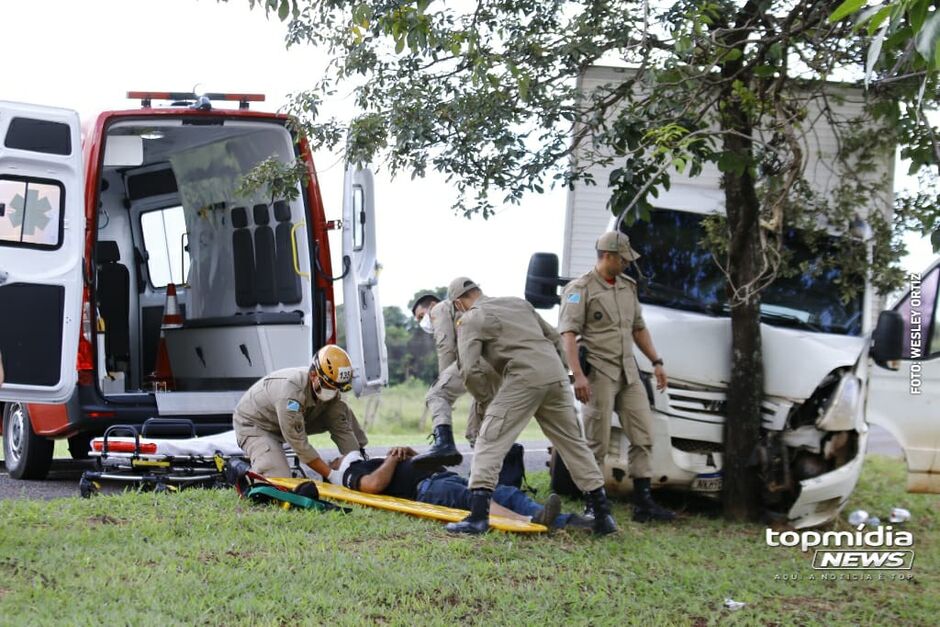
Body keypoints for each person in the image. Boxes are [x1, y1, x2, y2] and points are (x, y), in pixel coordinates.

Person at [446, 276, 618, 536]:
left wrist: (485, 397)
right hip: (555, 376)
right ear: (478, 290)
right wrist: (568, 374)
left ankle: (478, 517)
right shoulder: (519, 304)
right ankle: (602, 515)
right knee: (573, 443)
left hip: (523, 378)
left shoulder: (470, 318)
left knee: (490, 439)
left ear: (459, 303)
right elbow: (555, 337)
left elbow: (469, 369)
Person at [558, 231, 675, 523]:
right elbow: (568, 336)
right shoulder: (580, 288)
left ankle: (643, 505)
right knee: (597, 442)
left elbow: (638, 328)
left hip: (629, 372)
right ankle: (593, 504)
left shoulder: (627, 286)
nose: (626, 264)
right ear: (608, 256)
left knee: (643, 435)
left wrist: (657, 361)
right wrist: (577, 376)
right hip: (598, 372)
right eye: (623, 259)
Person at [329, 447, 592, 531]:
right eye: (334, 460)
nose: (335, 458)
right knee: (472, 498)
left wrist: (411, 454)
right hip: (428, 489)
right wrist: (392, 459)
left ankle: (561, 520)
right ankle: (530, 520)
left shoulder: (367, 462)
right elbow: (373, 486)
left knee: (505, 492)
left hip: (443, 477)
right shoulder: (350, 473)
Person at [233, 344, 369, 481]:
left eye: (336, 388)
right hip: (256, 424)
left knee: (341, 410)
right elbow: (298, 443)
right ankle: (241, 469)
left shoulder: (330, 390)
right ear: (313, 375)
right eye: (327, 386)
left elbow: (341, 427)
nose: (331, 391)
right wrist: (332, 476)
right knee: (279, 481)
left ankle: (358, 458)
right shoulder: (291, 392)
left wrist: (356, 461)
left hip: (295, 417)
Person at [410, 292, 499, 467]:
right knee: (477, 431)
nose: (422, 322)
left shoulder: (440, 308)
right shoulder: (468, 310)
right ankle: (502, 473)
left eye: (421, 316)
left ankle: (444, 445)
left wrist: (445, 384)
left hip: (479, 357)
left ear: (432, 304)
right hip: (498, 362)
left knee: (436, 394)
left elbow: (446, 347)